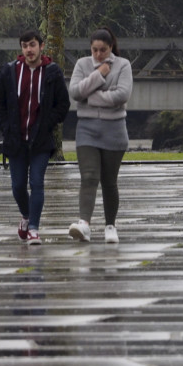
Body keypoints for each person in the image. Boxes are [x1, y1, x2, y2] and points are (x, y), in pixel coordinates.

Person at [0, 30, 70, 246]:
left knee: (37, 183)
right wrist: (6, 128)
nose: (29, 49)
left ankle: (34, 228)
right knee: (17, 186)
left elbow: (63, 104)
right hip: (15, 139)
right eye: (25, 45)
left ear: (41, 46)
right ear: (21, 48)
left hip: (41, 141)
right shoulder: (9, 71)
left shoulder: (52, 72)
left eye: (33, 44)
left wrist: (47, 124)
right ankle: (26, 216)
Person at [67, 27, 133, 244]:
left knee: (109, 181)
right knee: (89, 176)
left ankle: (110, 225)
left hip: (114, 130)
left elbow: (122, 95)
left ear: (111, 48)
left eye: (102, 50)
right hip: (86, 129)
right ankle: (84, 223)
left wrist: (91, 97)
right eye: (94, 50)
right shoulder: (82, 64)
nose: (98, 54)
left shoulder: (123, 65)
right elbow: (75, 92)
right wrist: (99, 75)